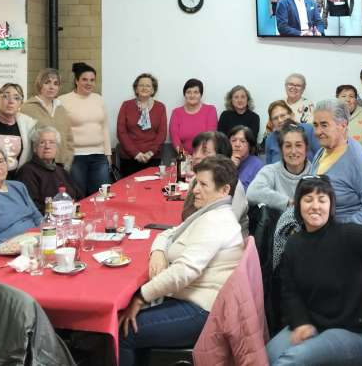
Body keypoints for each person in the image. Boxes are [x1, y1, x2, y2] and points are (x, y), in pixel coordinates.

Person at [266, 176, 362, 366]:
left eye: (322, 200)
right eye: (308, 199)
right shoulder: (293, 244)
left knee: (288, 361)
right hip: (316, 324)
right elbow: (290, 292)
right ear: (298, 205)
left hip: (356, 333)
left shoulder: (346, 234)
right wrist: (301, 322)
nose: (315, 206)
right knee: (268, 355)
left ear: (331, 205)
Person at [118, 156, 245, 366]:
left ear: (224, 190)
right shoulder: (209, 213)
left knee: (125, 330)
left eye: (203, 184)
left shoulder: (216, 221)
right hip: (192, 298)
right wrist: (158, 251)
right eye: (196, 182)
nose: (195, 189)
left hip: (203, 310)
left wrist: (141, 297)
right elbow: (167, 234)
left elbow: (184, 272)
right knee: (132, 323)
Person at [311, 99, 362, 224]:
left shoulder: (358, 159)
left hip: (341, 236)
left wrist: (338, 230)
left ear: (343, 126)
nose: (318, 132)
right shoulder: (321, 152)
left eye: (324, 125)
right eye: (315, 125)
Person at [59, 62, 112, 196]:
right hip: (76, 157)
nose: (89, 83)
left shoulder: (99, 99)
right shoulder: (63, 100)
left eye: (92, 80)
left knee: (101, 195)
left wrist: (108, 153)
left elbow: (104, 127)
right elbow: (61, 130)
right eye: (84, 79)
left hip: (99, 156)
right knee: (79, 195)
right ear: (76, 81)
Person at [247, 122, 313, 211]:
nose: (293, 151)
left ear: (306, 148)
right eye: (288, 146)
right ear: (281, 150)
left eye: (298, 145)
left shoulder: (316, 171)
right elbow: (252, 193)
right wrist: (288, 202)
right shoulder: (270, 171)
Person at [14, 126, 82, 213]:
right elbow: (32, 207)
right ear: (35, 148)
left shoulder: (61, 170)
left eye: (52, 142)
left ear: (57, 148)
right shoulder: (27, 171)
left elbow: (79, 196)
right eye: (42, 143)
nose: (47, 146)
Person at [20, 68, 75, 167]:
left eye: (55, 83)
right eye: (47, 82)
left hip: (61, 166)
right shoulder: (27, 108)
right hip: (37, 166)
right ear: (40, 84)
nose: (51, 87)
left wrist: (68, 161)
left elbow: (69, 139)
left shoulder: (61, 109)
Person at [116, 72, 167, 177]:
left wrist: (150, 153)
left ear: (153, 90)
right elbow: (121, 132)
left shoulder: (160, 107)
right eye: (141, 85)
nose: (144, 88)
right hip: (129, 158)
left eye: (148, 85)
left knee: (152, 190)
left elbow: (162, 133)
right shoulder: (126, 105)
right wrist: (136, 154)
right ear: (136, 89)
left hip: (152, 157)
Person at [169, 78, 218, 154]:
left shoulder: (210, 110)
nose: (192, 95)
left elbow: (210, 136)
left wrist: (198, 156)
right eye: (188, 92)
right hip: (183, 158)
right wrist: (184, 156)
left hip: (205, 156)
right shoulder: (176, 112)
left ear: (201, 94)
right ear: (184, 94)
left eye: (196, 92)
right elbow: (175, 138)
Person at [264, 100, 319, 165]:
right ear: (272, 122)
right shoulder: (270, 140)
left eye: (283, 115)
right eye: (275, 118)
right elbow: (269, 167)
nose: (280, 120)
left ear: (292, 115)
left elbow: (320, 157)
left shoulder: (309, 130)